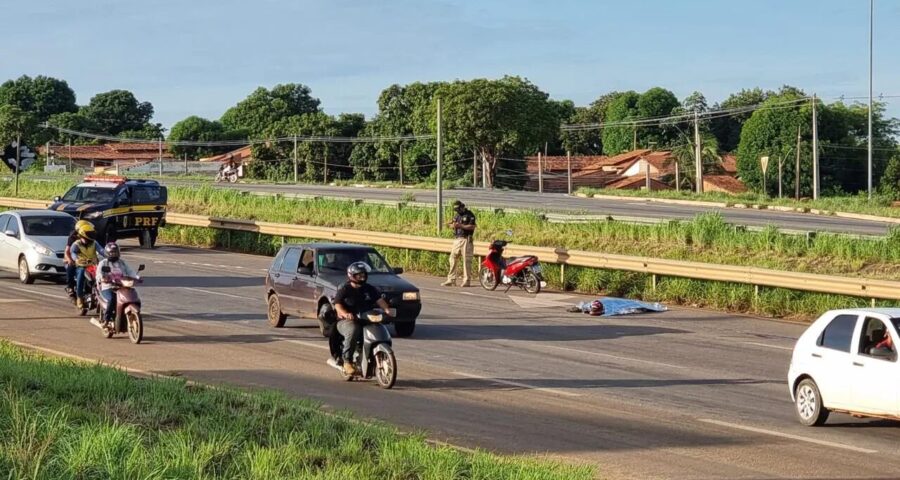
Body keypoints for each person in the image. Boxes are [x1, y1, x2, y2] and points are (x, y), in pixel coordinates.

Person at [333, 262, 392, 376]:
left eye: (363, 274)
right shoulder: (345, 289)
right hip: (347, 321)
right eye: (358, 275)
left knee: (379, 327)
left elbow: (380, 301)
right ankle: (347, 361)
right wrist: (346, 314)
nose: (362, 277)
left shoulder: (369, 289)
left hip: (366, 319)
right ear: (351, 276)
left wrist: (387, 310)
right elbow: (337, 305)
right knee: (353, 329)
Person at [96, 243, 138, 326]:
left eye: (115, 252)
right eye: (111, 252)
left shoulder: (122, 263)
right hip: (108, 287)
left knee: (133, 295)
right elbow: (98, 274)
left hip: (121, 286)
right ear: (107, 253)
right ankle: (106, 319)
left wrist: (137, 277)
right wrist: (102, 278)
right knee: (111, 300)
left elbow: (130, 271)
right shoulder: (103, 263)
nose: (113, 254)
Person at [69, 222, 106, 308]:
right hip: (82, 266)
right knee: (81, 274)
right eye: (89, 234)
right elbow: (73, 253)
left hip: (94, 266)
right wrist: (77, 259)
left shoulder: (94, 243)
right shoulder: (76, 244)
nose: (91, 236)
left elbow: (101, 250)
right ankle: (79, 297)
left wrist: (109, 254)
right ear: (82, 235)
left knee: (105, 274)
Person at [442, 200, 476, 287]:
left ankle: (466, 280)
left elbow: (472, 226)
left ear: (462, 207)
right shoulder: (457, 215)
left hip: (466, 240)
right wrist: (450, 225)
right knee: (452, 258)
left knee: (466, 261)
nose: (457, 211)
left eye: (458, 209)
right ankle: (451, 279)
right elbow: (453, 223)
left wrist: (461, 226)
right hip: (457, 239)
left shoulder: (469, 215)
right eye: (456, 210)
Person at [64, 220, 93, 297]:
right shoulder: (72, 237)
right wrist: (70, 260)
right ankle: (70, 286)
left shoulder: (90, 238)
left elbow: (98, 249)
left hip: (87, 259)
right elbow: (67, 251)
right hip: (74, 259)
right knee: (70, 267)